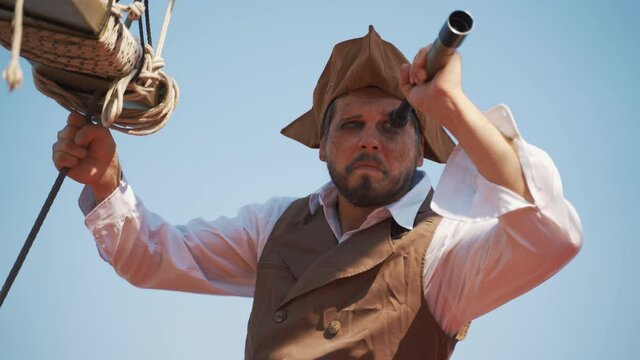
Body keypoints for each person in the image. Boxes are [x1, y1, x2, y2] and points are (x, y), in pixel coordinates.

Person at [52, 26, 582, 359]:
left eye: (394, 124)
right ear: (322, 147)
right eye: (351, 125)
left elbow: (551, 233)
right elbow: (151, 257)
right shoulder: (274, 226)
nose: (370, 139)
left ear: (422, 149)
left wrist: (453, 108)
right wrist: (104, 180)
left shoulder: (444, 252)